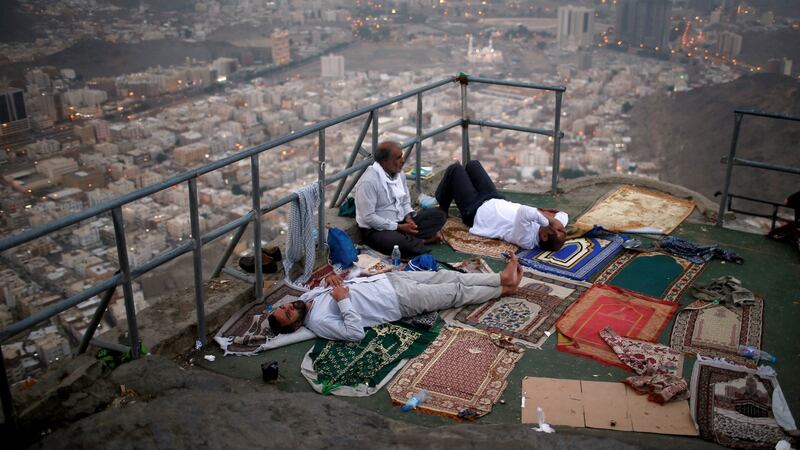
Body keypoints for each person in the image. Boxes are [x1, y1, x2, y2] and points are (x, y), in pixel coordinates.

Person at [267, 253, 525, 341]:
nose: (290, 306)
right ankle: (504, 286)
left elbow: (328, 284)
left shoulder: (309, 299)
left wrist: (329, 280)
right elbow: (355, 333)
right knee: (455, 293)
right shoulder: (320, 322)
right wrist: (342, 299)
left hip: (390, 280)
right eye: (289, 313)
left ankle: (501, 280)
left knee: (446, 276)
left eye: (286, 306)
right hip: (398, 301)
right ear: (297, 325)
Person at [435, 160, 568, 251]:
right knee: (472, 164)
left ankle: (442, 206)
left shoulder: (526, 239)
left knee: (455, 169)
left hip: (475, 211)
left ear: (544, 236)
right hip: (493, 198)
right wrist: (557, 223)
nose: (556, 226)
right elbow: (563, 215)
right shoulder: (545, 227)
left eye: (556, 229)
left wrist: (551, 220)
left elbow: (524, 212)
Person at [355, 141, 447, 257]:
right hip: (378, 230)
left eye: (401, 156)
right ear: (385, 162)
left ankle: (410, 240)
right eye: (398, 158)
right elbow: (368, 217)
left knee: (439, 215)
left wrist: (408, 218)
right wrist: (398, 227)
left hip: (400, 222)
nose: (402, 161)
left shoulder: (399, 174)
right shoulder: (369, 181)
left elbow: (404, 200)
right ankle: (422, 241)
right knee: (398, 243)